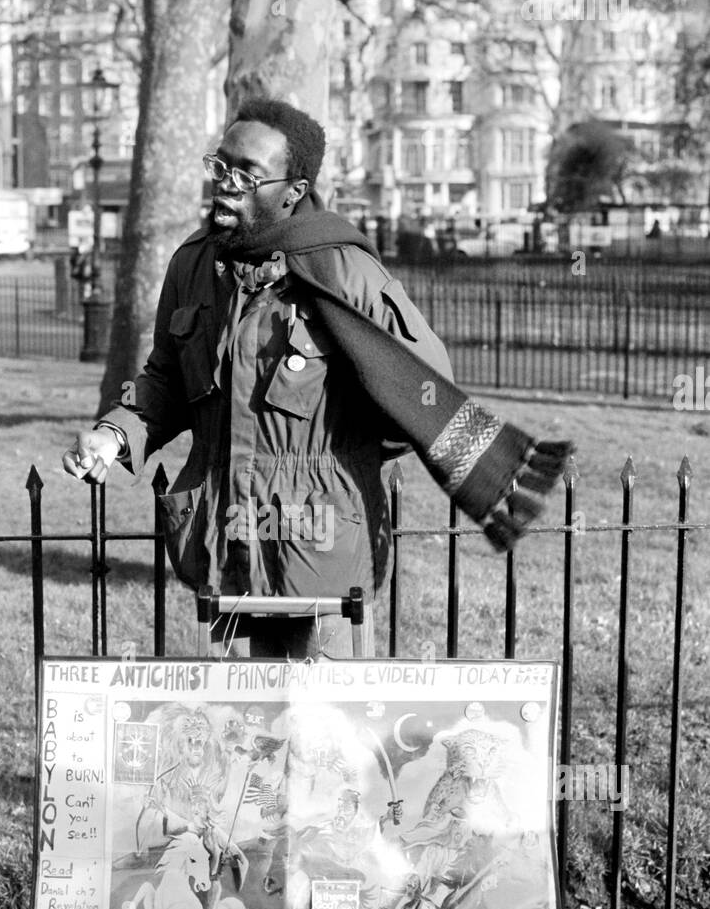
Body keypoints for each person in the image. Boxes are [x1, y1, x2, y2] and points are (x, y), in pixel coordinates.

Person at [63, 98, 571, 658]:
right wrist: (113, 434)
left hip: (318, 559)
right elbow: (164, 377)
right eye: (220, 166)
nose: (225, 185)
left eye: (247, 174)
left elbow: (419, 387)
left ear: (293, 191)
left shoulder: (344, 271)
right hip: (221, 550)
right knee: (239, 735)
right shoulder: (194, 265)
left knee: (325, 739)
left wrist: (344, 453)